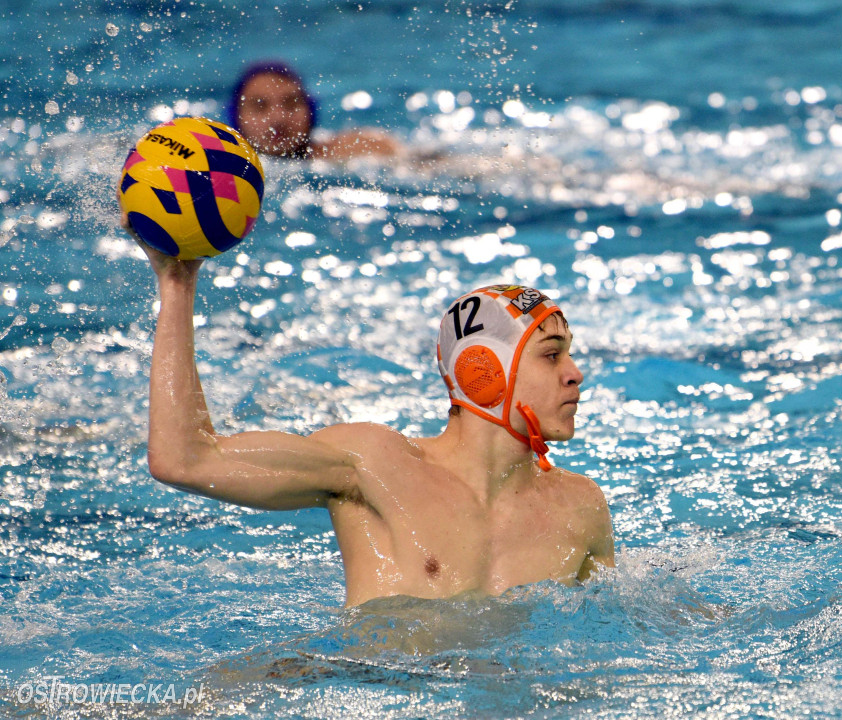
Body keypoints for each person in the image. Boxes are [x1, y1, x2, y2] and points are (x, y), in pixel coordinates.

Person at [134, 232, 615, 607]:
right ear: (482, 370)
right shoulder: (373, 465)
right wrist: (178, 284)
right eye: (552, 356)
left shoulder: (580, 507)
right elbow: (184, 459)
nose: (575, 375)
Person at [226, 61, 400, 160]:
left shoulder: (359, 149)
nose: (277, 119)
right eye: (260, 107)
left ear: (311, 110)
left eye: (291, 105)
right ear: (237, 117)